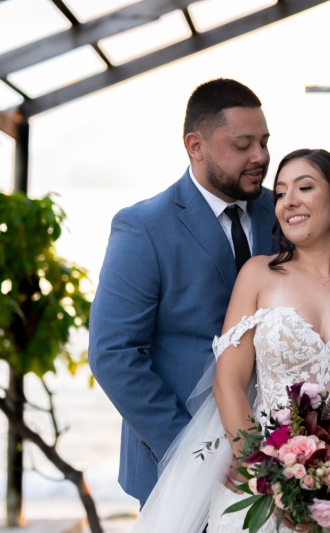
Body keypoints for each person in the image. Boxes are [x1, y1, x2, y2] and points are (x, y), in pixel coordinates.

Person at [132, 149, 330, 532]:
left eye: (305, 187)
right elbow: (227, 381)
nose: (288, 202)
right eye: (280, 193)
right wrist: (270, 478)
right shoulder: (258, 275)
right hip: (261, 494)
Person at [88, 78, 277, 506]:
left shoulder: (284, 213)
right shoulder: (143, 227)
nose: (261, 157)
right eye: (243, 144)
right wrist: (192, 454)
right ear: (196, 145)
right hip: (178, 463)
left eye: (264, 142)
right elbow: (113, 354)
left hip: (278, 459)